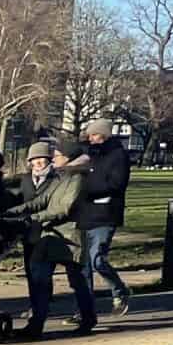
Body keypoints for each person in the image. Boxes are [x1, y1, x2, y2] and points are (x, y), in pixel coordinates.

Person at [12, 141, 97, 338]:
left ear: (69, 158)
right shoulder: (61, 177)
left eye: (58, 156)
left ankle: (88, 319)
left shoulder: (78, 178)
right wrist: (10, 213)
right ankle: (36, 324)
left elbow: (63, 208)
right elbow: (39, 202)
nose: (54, 158)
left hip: (71, 237)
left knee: (78, 281)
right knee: (39, 278)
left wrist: (33, 218)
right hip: (50, 235)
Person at [58, 119, 134, 315]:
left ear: (104, 135)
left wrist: (85, 190)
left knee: (97, 260)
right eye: (89, 135)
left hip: (105, 214)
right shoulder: (89, 152)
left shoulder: (118, 155)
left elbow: (117, 184)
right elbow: (72, 152)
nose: (90, 138)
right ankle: (84, 308)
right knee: (82, 265)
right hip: (84, 214)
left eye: (94, 135)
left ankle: (119, 290)